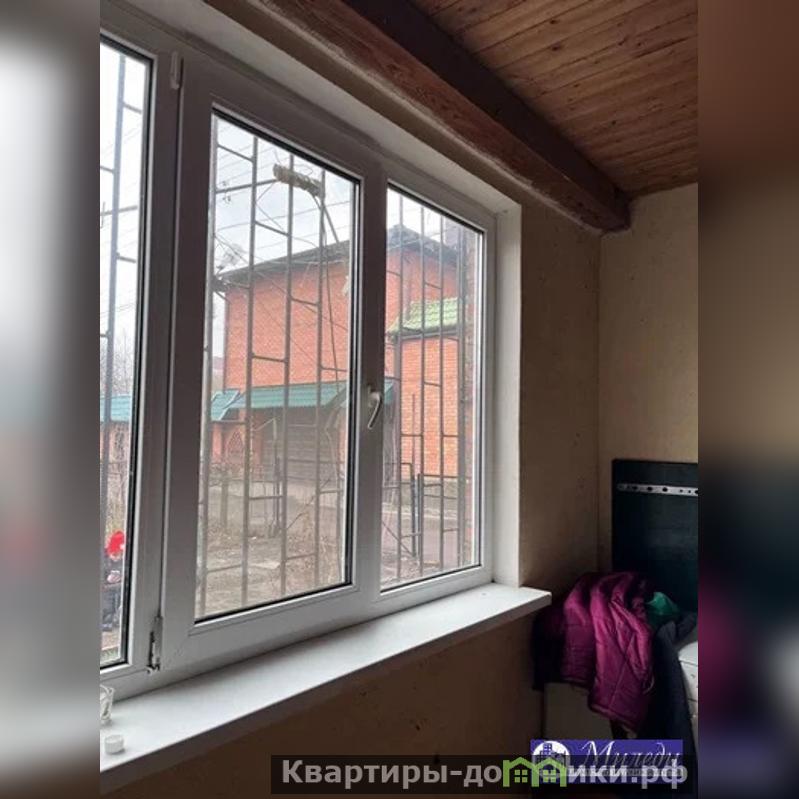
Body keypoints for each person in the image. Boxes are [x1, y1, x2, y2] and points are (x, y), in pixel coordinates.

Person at [102, 530, 125, 632]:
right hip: (106, 592)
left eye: (121, 554)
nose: (118, 557)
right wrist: (106, 580)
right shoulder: (103, 559)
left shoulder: (127, 560)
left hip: (119, 591)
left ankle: (113, 620)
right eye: (114, 554)